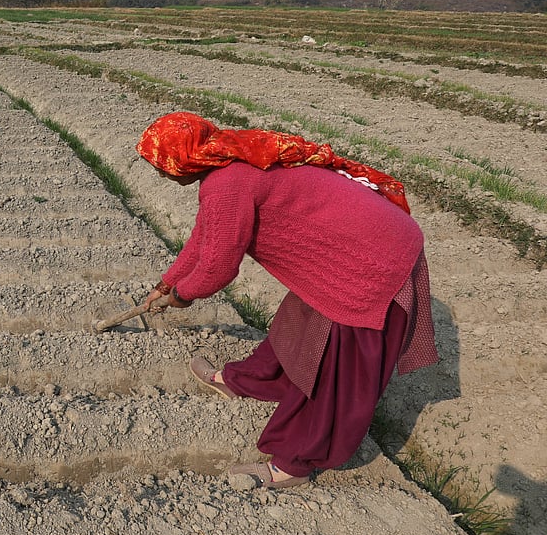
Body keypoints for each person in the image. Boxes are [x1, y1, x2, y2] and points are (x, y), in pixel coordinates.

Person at [135, 112, 438, 488]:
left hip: (372, 258)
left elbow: (218, 267)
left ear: (184, 161)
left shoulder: (227, 184)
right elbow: (206, 235)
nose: (161, 175)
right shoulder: (229, 160)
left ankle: (293, 464)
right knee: (297, 324)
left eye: (163, 167)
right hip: (348, 249)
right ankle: (245, 381)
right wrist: (167, 284)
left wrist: (182, 296)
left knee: (336, 367)